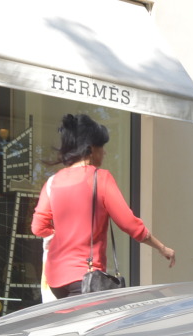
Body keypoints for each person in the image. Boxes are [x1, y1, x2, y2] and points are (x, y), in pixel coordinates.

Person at [31, 114, 176, 299]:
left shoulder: (52, 181)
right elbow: (129, 223)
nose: (105, 153)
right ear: (91, 150)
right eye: (102, 148)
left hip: (55, 279)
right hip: (85, 277)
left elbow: (37, 227)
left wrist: (62, 234)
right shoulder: (100, 178)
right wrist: (161, 247)